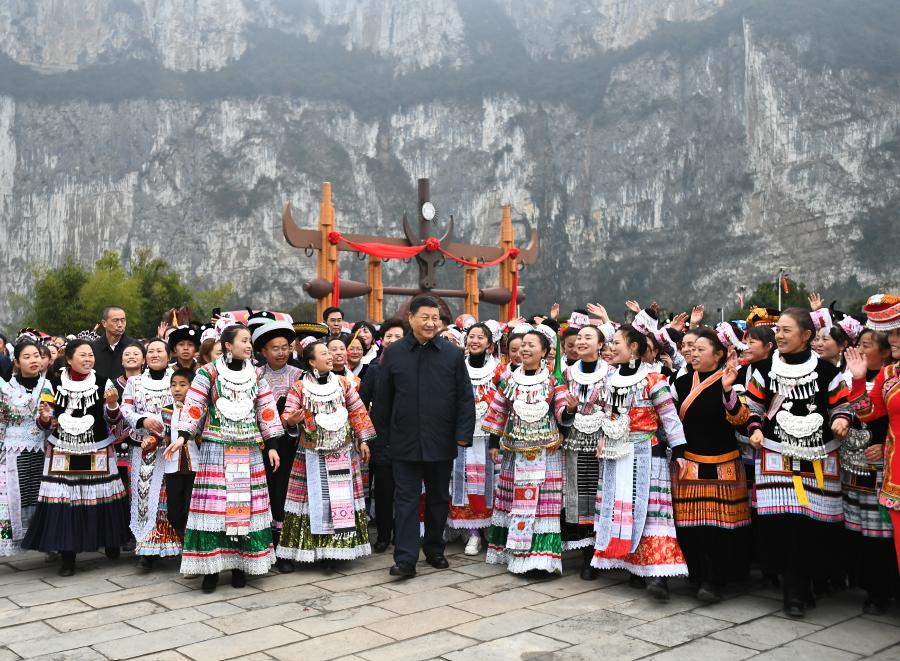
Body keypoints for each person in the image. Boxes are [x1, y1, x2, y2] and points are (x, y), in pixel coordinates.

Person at [745, 307, 852, 618]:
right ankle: (792, 590)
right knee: (786, 524)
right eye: (777, 330)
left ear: (807, 336)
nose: (779, 335)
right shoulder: (765, 370)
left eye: (786, 330)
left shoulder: (828, 372)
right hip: (776, 454)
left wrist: (842, 421)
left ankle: (806, 583)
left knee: (810, 525)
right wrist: (753, 429)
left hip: (818, 456)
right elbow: (752, 407)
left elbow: (841, 405)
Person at [167, 325, 284, 593]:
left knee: (245, 508)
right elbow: (194, 405)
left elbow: (265, 409)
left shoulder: (256, 374)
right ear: (228, 345)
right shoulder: (207, 373)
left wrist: (272, 446)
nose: (248, 345)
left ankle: (241, 566)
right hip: (216, 449)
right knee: (216, 509)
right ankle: (211, 570)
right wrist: (183, 436)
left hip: (249, 450)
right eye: (244, 340)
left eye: (249, 341)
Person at [372, 295, 475, 578]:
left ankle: (434, 549)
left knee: (438, 497)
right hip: (403, 441)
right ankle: (405, 559)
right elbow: (383, 401)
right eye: (425, 317)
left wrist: (463, 434)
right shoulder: (394, 353)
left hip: (440, 439)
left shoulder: (452, 354)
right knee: (405, 498)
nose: (431, 323)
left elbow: (465, 398)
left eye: (436, 318)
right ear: (411, 319)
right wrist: (381, 439)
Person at [590, 325, 689, 601]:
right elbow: (604, 413)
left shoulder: (653, 379)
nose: (612, 347)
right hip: (615, 453)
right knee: (623, 511)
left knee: (651, 514)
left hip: (648, 453)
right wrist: (602, 438)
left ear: (634, 347)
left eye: (617, 342)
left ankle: (657, 575)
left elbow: (669, 417)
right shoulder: (608, 379)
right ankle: (633, 567)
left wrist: (679, 451)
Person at [22, 340, 130, 576]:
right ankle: (67, 555)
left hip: (97, 447)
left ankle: (110, 541)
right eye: (83, 355)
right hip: (62, 447)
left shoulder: (103, 382)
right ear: (69, 358)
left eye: (91, 355)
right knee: (64, 499)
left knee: (101, 495)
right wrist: (43, 417)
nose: (88, 359)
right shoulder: (53, 383)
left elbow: (114, 421)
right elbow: (45, 421)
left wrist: (112, 406)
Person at [276, 341, 375, 568]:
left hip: (342, 451)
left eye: (330, 353)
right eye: (324, 354)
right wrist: (291, 421)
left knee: (339, 502)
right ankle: (309, 551)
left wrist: (363, 439)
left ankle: (335, 553)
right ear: (312, 361)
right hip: (311, 454)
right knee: (311, 502)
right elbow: (287, 416)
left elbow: (358, 411)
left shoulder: (343, 384)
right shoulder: (299, 388)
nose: (330, 357)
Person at [671, 327, 751, 603]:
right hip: (689, 463)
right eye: (692, 349)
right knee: (692, 526)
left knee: (720, 527)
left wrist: (727, 390)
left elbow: (741, 420)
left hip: (723, 464)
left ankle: (715, 579)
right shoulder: (680, 383)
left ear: (719, 355)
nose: (693, 353)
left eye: (701, 349)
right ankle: (697, 575)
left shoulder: (731, 381)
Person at [846, 294, 900, 598]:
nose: (893, 339)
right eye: (891, 333)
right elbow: (868, 412)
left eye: (898, 333)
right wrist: (857, 380)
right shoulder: (889, 374)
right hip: (896, 474)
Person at [121, 338, 180, 571]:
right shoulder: (134, 382)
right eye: (151, 351)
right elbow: (126, 408)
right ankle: (147, 549)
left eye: (160, 351)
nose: (155, 355)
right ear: (145, 357)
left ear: (168, 355)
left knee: (171, 496)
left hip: (172, 447)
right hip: (143, 448)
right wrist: (142, 420)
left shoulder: (176, 380)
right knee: (144, 498)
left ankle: (176, 545)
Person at [559, 324, 610, 579]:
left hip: (604, 440)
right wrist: (568, 410)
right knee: (578, 495)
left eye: (588, 337)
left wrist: (608, 435)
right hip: (575, 442)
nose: (581, 341)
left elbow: (617, 408)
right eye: (579, 337)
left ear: (601, 344)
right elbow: (558, 405)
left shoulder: (612, 372)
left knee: (601, 492)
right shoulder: (567, 373)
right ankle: (586, 557)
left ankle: (603, 552)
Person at [251, 317, 302, 573]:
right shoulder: (253, 376)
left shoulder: (300, 375)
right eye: (275, 348)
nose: (281, 352)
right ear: (263, 351)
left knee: (285, 494)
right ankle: (261, 548)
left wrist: (293, 423)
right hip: (260, 445)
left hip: (292, 446)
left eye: (285, 347)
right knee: (264, 494)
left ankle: (284, 551)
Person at [448, 323, 500, 555]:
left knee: (492, 483)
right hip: (463, 437)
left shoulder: (500, 370)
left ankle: (491, 528)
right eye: (471, 337)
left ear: (490, 344)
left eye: (481, 337)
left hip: (490, 439)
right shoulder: (457, 367)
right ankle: (472, 533)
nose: (475, 341)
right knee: (465, 481)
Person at [359, 318, 406, 553]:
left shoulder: (413, 366)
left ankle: (403, 534)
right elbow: (360, 402)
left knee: (406, 490)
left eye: (398, 336)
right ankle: (384, 535)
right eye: (389, 336)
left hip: (408, 437)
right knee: (385, 490)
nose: (393, 340)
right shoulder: (375, 368)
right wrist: (364, 436)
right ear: (381, 339)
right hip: (381, 438)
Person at [0, 339, 49, 555]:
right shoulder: (6, 389)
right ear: (17, 362)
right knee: (12, 498)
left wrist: (48, 420)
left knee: (42, 494)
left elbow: (53, 421)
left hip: (42, 449)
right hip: (13, 451)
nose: (33, 360)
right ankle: (11, 543)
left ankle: (48, 542)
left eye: (37, 356)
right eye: (27, 357)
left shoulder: (47, 385)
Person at [161, 368, 198, 545]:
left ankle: (190, 546)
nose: (177, 389)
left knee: (190, 508)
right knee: (174, 512)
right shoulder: (166, 410)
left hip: (195, 466)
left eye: (182, 385)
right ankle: (182, 538)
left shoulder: (199, 409)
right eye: (173, 385)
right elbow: (162, 433)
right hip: (172, 466)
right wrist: (151, 439)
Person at [91, 307, 131, 379]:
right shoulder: (93, 348)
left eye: (123, 320)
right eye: (115, 320)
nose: (120, 324)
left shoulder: (134, 347)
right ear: (104, 323)